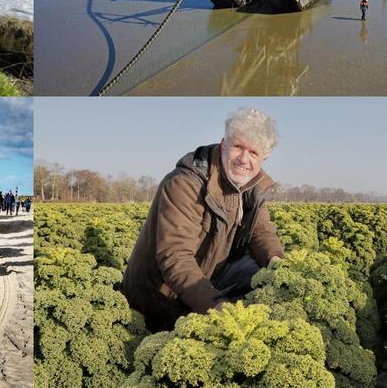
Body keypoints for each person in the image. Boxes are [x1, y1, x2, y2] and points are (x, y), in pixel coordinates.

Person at [121, 107, 285, 332]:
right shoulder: (184, 184)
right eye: (238, 147)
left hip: (208, 275)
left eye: (253, 153)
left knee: (264, 275)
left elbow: (262, 232)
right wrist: (217, 307)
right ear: (223, 143)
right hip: (162, 298)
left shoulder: (249, 185)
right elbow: (175, 257)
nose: (244, 159)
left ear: (263, 157)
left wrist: (278, 263)